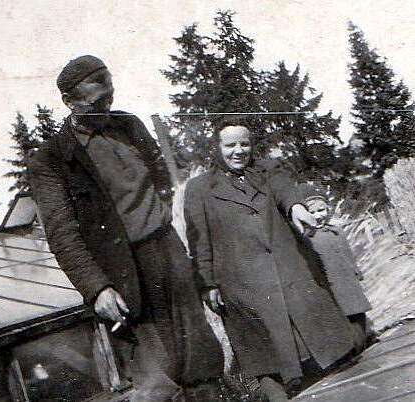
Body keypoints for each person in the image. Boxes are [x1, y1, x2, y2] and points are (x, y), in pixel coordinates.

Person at [27, 55, 224, 402]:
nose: (106, 107)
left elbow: (159, 178)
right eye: (95, 103)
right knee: (157, 379)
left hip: (168, 253)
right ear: (69, 101)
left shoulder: (129, 126)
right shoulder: (51, 159)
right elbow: (62, 234)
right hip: (123, 272)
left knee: (200, 360)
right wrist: (97, 288)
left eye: (110, 97)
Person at [184, 124, 358, 401]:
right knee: (265, 355)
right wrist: (208, 283)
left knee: (328, 347)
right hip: (240, 283)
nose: (239, 151)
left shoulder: (268, 170)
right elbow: (199, 240)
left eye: (244, 144)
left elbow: (284, 191)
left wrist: (296, 207)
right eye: (230, 145)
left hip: (287, 268)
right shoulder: (199, 189)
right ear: (217, 148)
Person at [299, 184, 372, 351]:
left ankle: (362, 345)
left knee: (358, 313)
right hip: (331, 287)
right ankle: (352, 350)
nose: (318, 216)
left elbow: (347, 253)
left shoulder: (336, 231)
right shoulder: (307, 240)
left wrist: (355, 270)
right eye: (312, 212)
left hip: (349, 283)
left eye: (321, 210)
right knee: (342, 320)